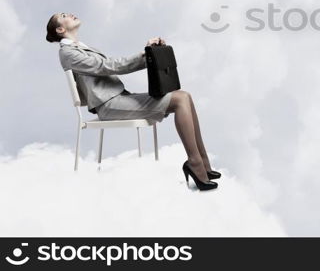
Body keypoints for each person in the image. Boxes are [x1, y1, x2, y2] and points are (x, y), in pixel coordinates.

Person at [46, 12, 219, 191]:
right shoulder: (68, 53)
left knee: (185, 96)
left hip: (119, 98)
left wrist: (151, 54)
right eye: (64, 15)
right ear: (60, 29)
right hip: (109, 106)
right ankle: (195, 163)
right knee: (180, 98)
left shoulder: (79, 47)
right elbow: (108, 66)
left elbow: (109, 66)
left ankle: (203, 162)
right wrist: (146, 54)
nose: (71, 14)